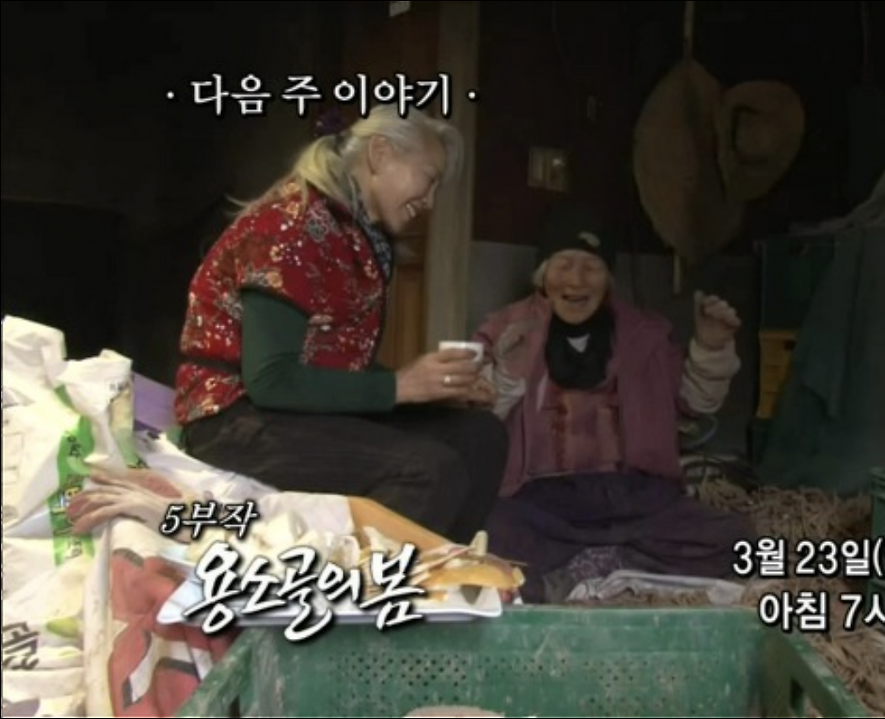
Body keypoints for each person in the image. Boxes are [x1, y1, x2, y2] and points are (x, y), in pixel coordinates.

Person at [173, 104, 506, 544]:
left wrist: (432, 391)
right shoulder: (292, 225)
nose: (430, 201)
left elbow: (332, 364)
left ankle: (445, 568)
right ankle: (361, 581)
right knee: (426, 470)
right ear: (380, 154)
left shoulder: (356, 234)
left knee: (480, 435)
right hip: (233, 419)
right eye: (429, 178)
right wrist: (402, 386)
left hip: (293, 411)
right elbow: (270, 380)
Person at [472, 202, 757, 603]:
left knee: (737, 540)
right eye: (564, 265)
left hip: (636, 498)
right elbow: (475, 418)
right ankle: (604, 566)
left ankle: (597, 564)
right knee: (488, 536)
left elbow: (696, 404)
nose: (576, 280)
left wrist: (710, 348)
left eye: (591, 267)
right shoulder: (506, 329)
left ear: (608, 277)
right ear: (543, 274)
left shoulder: (645, 332)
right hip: (541, 503)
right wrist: (506, 374)